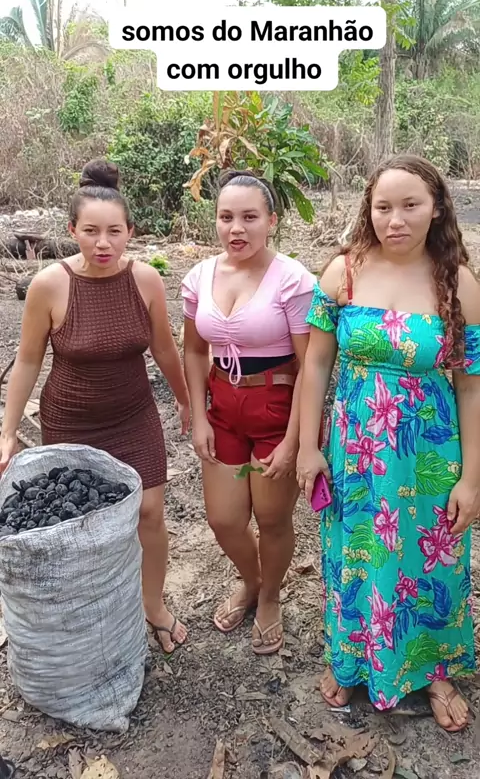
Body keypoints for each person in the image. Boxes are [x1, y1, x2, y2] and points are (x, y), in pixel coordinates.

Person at [297, 154, 480, 732]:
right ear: (368, 209)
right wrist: (308, 446)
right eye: (383, 207)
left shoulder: (459, 282)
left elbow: (471, 386)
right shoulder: (343, 271)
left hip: (430, 453)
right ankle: (352, 660)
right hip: (356, 450)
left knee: (432, 559)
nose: (394, 219)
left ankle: (434, 668)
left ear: (437, 209)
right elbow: (315, 365)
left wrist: (472, 477)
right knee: (357, 553)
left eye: (410, 205)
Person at [0, 159, 190, 654]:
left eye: (114, 232)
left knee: (149, 511)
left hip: (133, 414)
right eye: (90, 232)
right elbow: (28, 359)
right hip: (70, 420)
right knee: (80, 523)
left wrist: (187, 400)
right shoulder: (49, 285)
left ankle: (153, 605)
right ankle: (91, 612)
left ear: (130, 232)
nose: (103, 243)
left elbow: (164, 348)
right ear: (72, 231)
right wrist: (8, 430)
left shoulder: (146, 280)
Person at [182, 169, 316, 655]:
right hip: (223, 405)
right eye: (226, 217)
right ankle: (253, 579)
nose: (236, 228)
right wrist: (199, 416)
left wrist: (295, 440)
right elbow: (193, 350)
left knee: (272, 517)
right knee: (224, 519)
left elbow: (311, 365)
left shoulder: (293, 280)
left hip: (277, 407)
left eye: (249, 217)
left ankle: (271, 597)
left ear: (271, 221)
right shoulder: (200, 276)